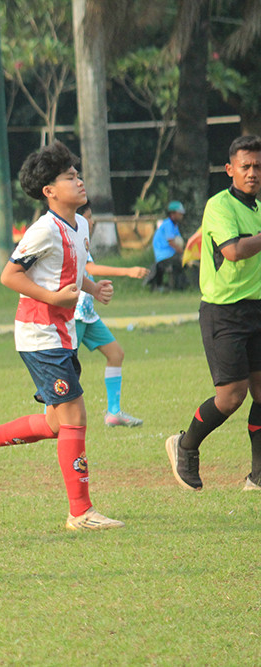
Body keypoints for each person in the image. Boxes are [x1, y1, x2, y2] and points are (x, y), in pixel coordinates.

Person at [0, 141, 124, 531]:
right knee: (75, 415)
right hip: (40, 335)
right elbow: (9, 275)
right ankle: (80, 513)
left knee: (54, 423)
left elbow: (71, 269)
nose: (79, 181)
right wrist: (52, 297)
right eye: (69, 177)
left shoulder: (78, 224)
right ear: (49, 191)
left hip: (63, 333)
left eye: (77, 174)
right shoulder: (42, 230)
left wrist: (92, 288)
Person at [165, 135, 261, 493]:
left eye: (258, 166)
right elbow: (233, 251)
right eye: (245, 166)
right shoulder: (218, 206)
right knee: (231, 397)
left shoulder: (258, 209)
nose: (252, 172)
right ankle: (185, 446)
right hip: (224, 313)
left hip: (257, 308)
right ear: (230, 170)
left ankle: (258, 476)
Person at [74, 206, 149, 427]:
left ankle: (114, 413)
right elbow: (92, 269)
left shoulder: (82, 239)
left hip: (88, 314)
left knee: (115, 354)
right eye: (89, 217)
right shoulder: (74, 238)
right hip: (74, 314)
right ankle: (50, 413)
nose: (93, 221)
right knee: (66, 367)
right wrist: (128, 271)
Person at [147, 200, 187, 291]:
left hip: (170, 254)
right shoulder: (168, 224)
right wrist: (184, 253)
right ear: (172, 214)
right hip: (164, 256)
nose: (181, 215)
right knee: (182, 262)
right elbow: (172, 243)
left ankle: (179, 285)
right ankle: (177, 287)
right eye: (179, 213)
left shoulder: (174, 226)